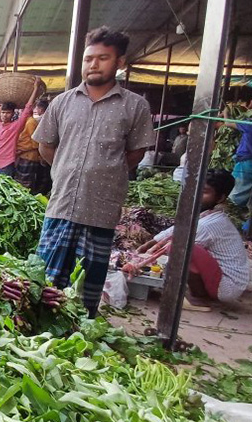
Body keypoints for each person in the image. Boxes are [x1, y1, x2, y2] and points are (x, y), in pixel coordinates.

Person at [32, 26, 155, 318]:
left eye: (103, 58)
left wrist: (104, 173)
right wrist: (66, 168)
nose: (93, 64)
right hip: (61, 205)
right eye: (89, 59)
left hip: (99, 210)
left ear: (120, 63)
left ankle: (79, 328)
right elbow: (46, 146)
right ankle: (39, 325)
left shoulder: (134, 106)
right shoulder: (62, 103)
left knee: (87, 282)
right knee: (43, 278)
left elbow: (136, 152)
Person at [137, 170, 247, 312]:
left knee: (180, 247)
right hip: (222, 279)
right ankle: (200, 293)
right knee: (180, 243)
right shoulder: (208, 215)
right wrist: (148, 245)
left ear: (220, 198)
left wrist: (144, 258)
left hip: (227, 286)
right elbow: (178, 229)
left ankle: (198, 298)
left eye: (205, 192)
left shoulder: (212, 224)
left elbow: (177, 238)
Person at [0, 77, 41, 177]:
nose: (5, 115)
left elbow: (27, 108)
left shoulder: (16, 126)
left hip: (7, 164)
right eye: (3, 113)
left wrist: (35, 88)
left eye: (8, 113)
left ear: (13, 114)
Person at [218, 107, 252, 207]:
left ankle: (231, 210)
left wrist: (225, 113)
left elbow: (228, 123)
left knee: (236, 191)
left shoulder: (248, 124)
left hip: (246, 161)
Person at [15, 99, 49, 193]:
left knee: (25, 183)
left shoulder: (31, 122)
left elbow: (35, 143)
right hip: (25, 156)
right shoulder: (27, 121)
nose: (21, 112)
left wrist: (22, 150)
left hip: (29, 157)